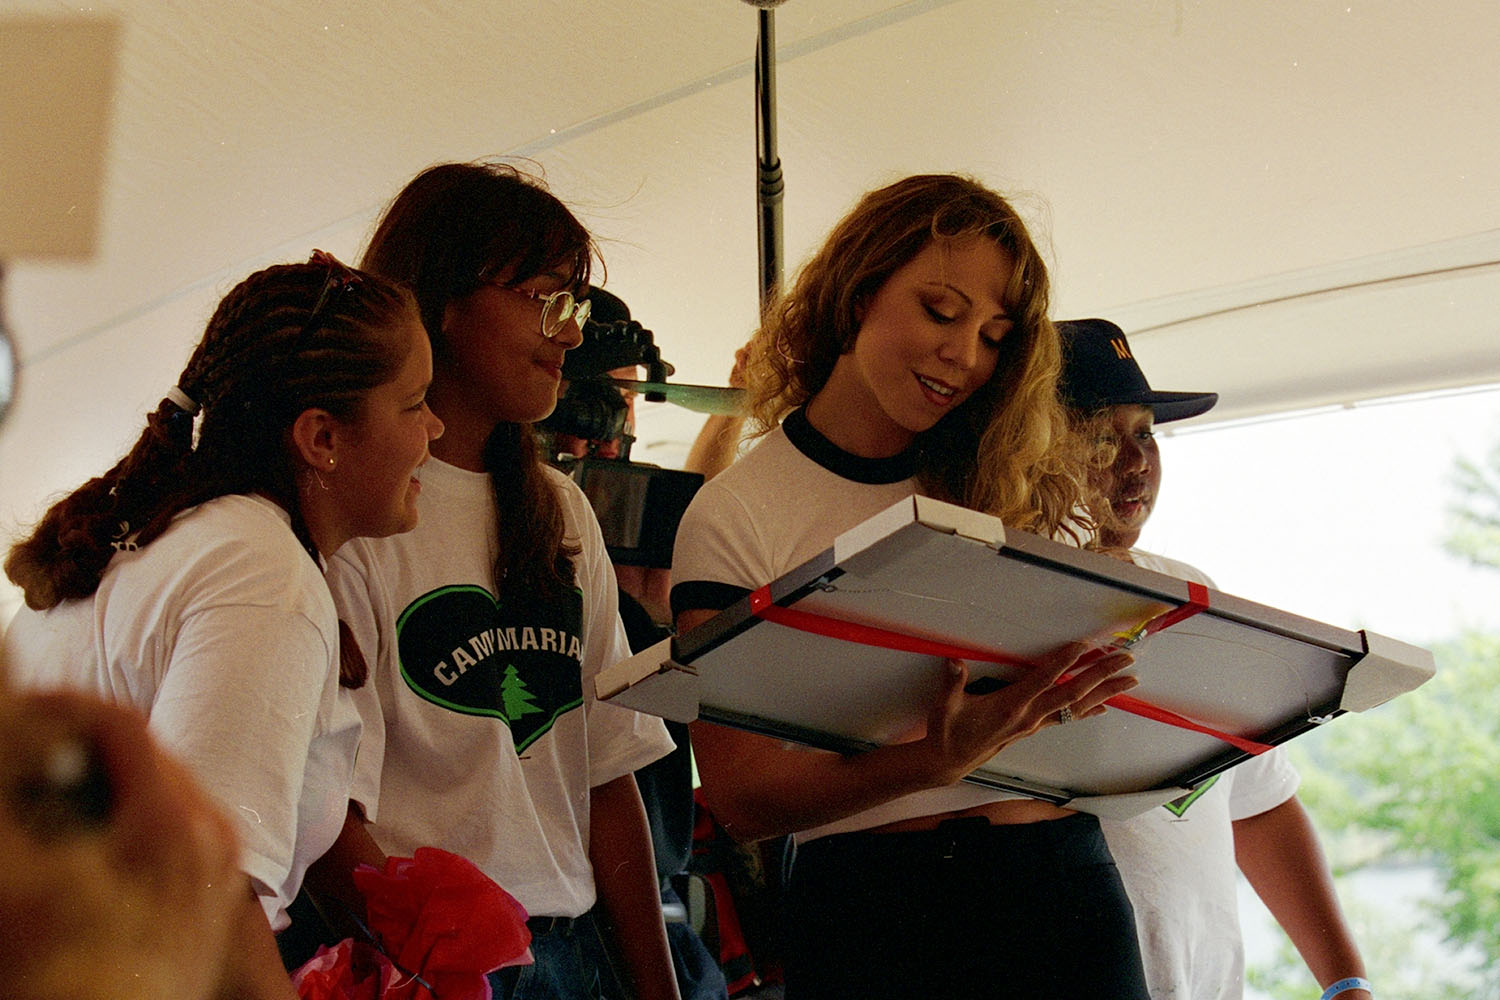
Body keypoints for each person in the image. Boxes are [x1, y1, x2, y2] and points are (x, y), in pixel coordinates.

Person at [670, 173, 1149, 999]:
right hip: (876, 913)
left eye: (995, 337)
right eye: (940, 311)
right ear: (859, 291)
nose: (964, 356)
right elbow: (742, 798)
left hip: (1063, 885)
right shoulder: (734, 513)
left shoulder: (1011, 479)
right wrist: (933, 760)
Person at [2, 252, 443, 995]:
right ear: (322, 438)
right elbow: (212, 903)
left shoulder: (185, 531)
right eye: (414, 403)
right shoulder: (262, 577)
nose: (435, 428)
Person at [326, 161, 680, 1000]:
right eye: (547, 298)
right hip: (432, 970)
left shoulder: (561, 508)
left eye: (577, 306)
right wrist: (436, 967)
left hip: (569, 954)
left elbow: (607, 775)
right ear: (443, 302)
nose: (571, 334)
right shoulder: (357, 512)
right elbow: (330, 816)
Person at [1058, 316, 1372, 1000]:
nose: (1135, 462)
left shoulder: (1193, 593)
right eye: (1102, 439)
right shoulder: (1007, 597)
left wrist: (1346, 983)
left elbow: (1259, 803)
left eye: (1145, 434)